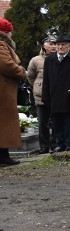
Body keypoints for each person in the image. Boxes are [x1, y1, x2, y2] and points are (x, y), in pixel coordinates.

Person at [43, 34, 70, 152]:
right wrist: (45, 96)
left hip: (69, 95)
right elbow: (46, 79)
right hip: (54, 95)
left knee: (69, 120)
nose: (60, 47)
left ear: (69, 46)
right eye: (58, 45)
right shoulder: (49, 60)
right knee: (57, 120)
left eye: (63, 45)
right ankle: (60, 143)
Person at [0, 18, 26, 166]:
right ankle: (3, 156)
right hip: (3, 91)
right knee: (4, 123)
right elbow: (6, 65)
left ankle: (4, 155)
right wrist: (21, 71)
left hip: (4, 90)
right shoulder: (1, 44)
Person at [27, 37, 56, 154]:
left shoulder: (59, 59)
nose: (53, 46)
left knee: (56, 121)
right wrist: (38, 86)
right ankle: (44, 146)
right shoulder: (35, 60)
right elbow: (30, 76)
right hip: (40, 95)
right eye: (51, 44)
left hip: (55, 95)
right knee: (42, 123)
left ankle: (55, 145)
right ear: (44, 46)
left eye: (55, 44)